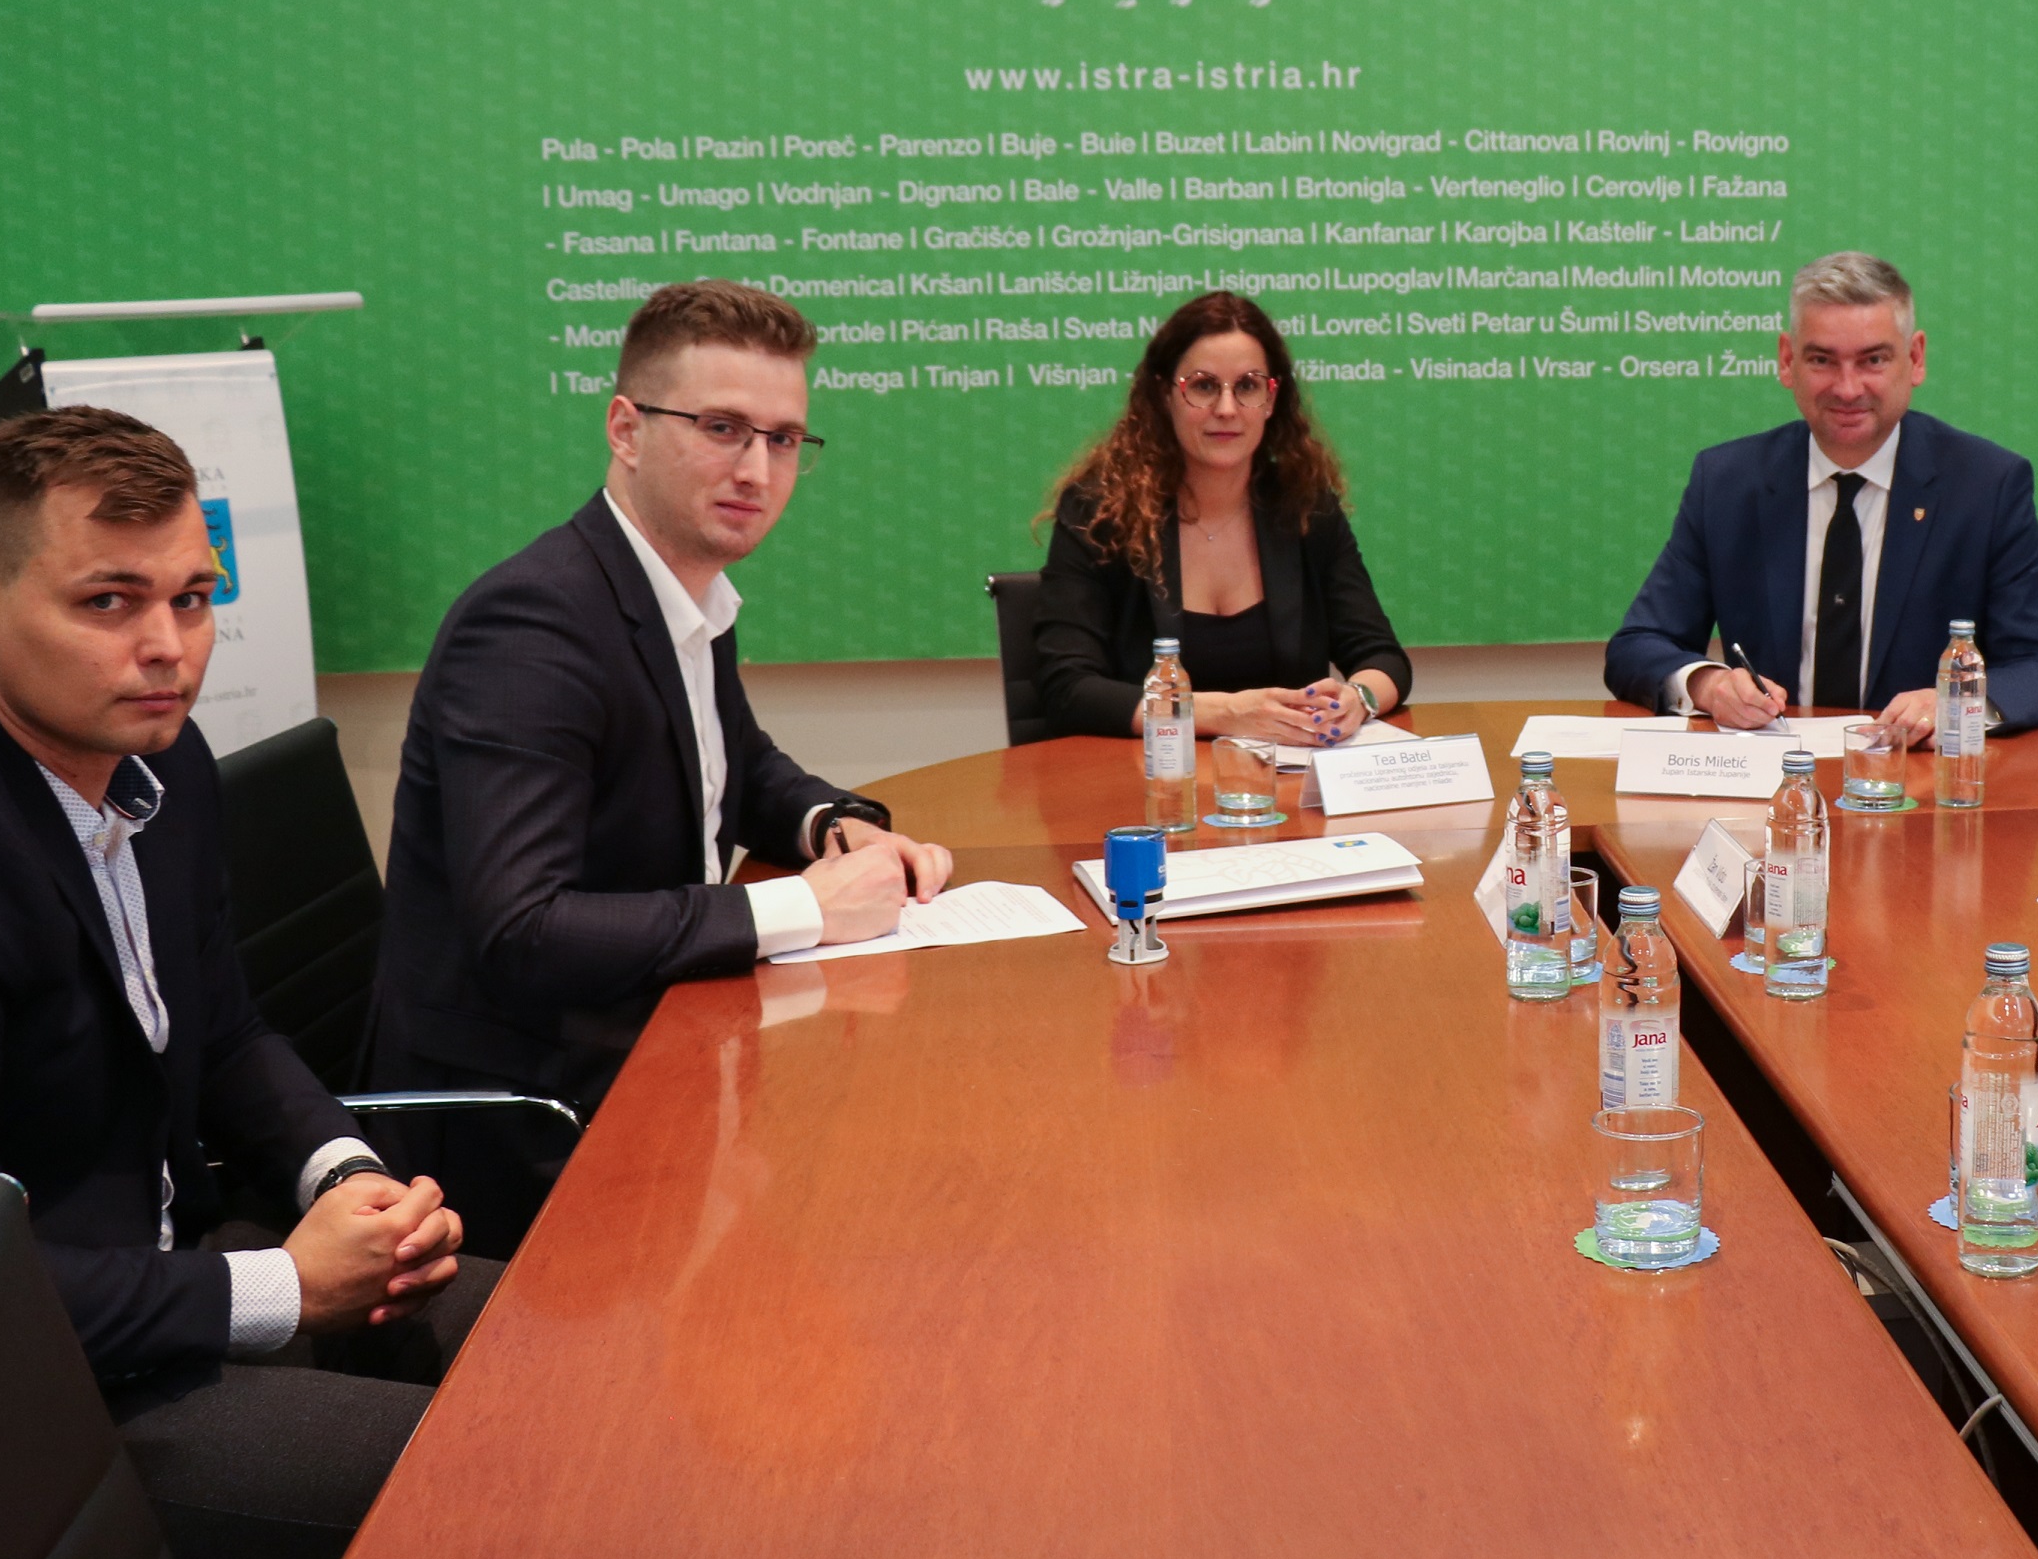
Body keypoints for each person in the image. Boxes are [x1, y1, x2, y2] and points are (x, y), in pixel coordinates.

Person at [0, 407, 485, 1559]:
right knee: (522, 1479)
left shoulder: (162, 763)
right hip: (38, 1403)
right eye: (107, 602)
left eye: (191, 597)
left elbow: (223, 1033)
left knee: (579, 1359)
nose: (167, 648)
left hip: (188, 1268)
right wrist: (288, 1288)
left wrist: (343, 1178)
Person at [371, 281, 953, 1250]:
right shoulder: (533, 626)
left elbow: (737, 766)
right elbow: (524, 929)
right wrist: (804, 906)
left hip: (652, 1047)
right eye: (722, 428)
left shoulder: (685, 588)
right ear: (626, 429)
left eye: (783, 439)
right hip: (527, 1126)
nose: (756, 469)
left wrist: (832, 825)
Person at [1604, 251, 2038, 741]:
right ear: (1788, 361)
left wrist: (1956, 704)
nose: (1848, 389)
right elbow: (1638, 645)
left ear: (1915, 358)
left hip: (1917, 773)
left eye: (1873, 360)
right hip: (1777, 772)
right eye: (1822, 360)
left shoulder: (1987, 485)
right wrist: (1708, 684)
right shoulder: (1727, 483)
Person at [1030, 289, 1413, 743]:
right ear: (1165, 395)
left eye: (1247, 386)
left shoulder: (1305, 507)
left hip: (1285, 778)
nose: (1227, 409)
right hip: (1147, 777)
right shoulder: (1099, 513)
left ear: (1271, 399)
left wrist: (1357, 699)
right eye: (1204, 386)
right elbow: (1068, 688)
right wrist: (1227, 713)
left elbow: (1382, 657)